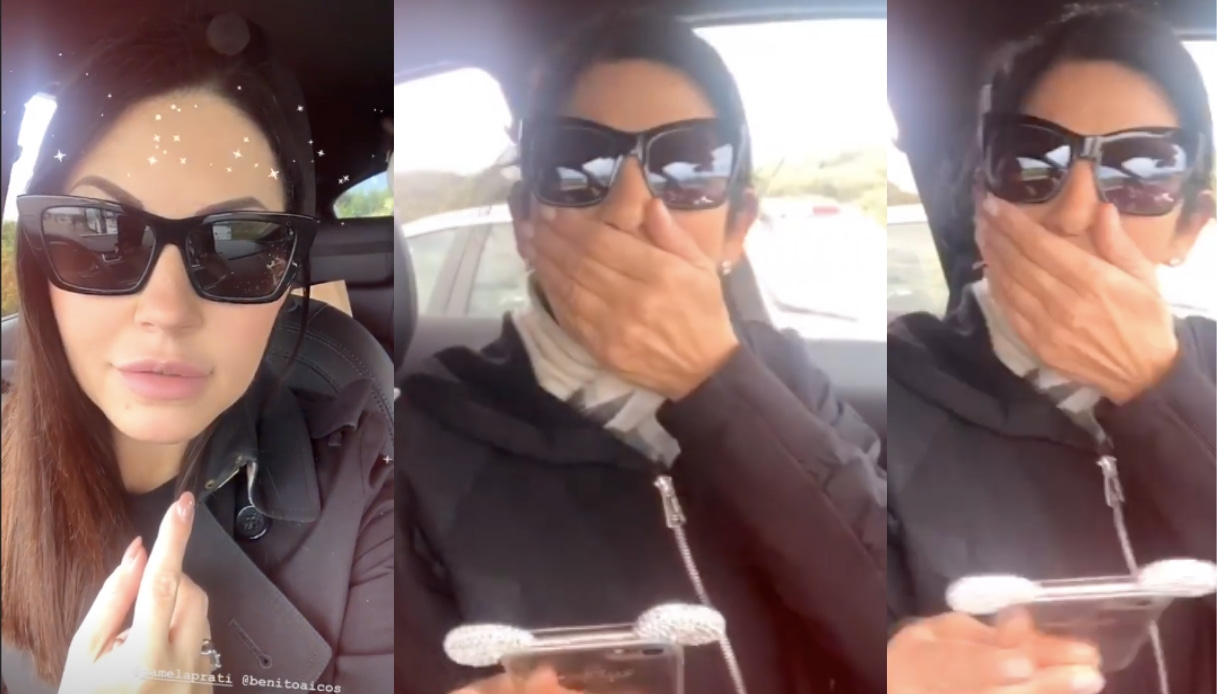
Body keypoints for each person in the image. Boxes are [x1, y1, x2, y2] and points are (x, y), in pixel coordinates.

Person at [396, 8, 887, 694]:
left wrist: (715, 382)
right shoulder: (419, 441)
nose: (629, 208)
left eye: (688, 167)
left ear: (736, 229)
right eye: (577, 164)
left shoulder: (789, 383)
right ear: (525, 223)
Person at [0, 13, 393, 694]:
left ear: (287, 281)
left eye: (240, 245)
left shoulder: (370, 493)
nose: (167, 311)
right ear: (38, 263)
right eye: (99, 234)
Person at [886, 5, 1215, 694]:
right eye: (1032, 162)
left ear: (1189, 227)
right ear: (983, 200)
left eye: (1140, 171)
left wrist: (1157, 391)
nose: (1072, 213)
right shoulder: (897, 391)